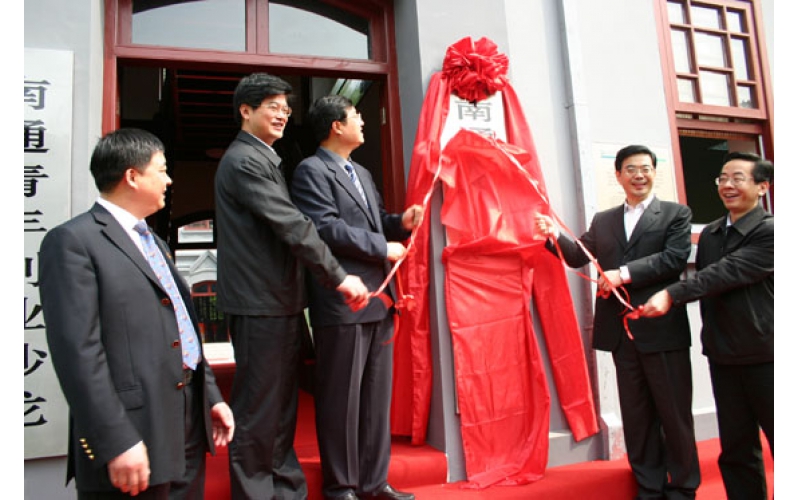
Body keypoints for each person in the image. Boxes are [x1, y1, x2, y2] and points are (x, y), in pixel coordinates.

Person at [38, 128, 235, 499]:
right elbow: (77, 352)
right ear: (132, 175)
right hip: (133, 428)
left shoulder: (153, 242)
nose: (169, 180)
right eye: (161, 170)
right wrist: (115, 439)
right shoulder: (74, 242)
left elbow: (180, 326)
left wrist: (210, 396)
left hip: (185, 419)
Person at [215, 73, 370, 500]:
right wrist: (338, 276)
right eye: (272, 106)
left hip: (278, 300)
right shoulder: (245, 161)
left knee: (282, 406)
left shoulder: (267, 157)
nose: (282, 113)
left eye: (285, 107)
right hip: (258, 301)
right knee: (259, 408)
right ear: (246, 111)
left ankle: (283, 487)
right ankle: (257, 492)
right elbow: (292, 224)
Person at [534, 144, 700, 499]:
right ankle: (649, 488)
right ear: (619, 175)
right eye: (631, 169)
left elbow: (673, 259)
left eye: (646, 168)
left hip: (662, 330)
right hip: (622, 337)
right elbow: (578, 255)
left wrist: (621, 274)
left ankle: (683, 490)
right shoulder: (604, 220)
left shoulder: (676, 214)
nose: (639, 175)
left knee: (674, 416)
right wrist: (553, 233)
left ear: (654, 172)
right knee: (636, 418)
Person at [290, 95, 421, 500]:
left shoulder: (361, 172)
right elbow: (325, 228)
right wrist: (383, 247)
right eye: (356, 116)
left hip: (379, 299)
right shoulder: (311, 171)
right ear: (336, 126)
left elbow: (376, 222)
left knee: (375, 399)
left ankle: (373, 482)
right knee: (341, 399)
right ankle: (341, 486)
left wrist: (400, 223)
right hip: (342, 300)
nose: (363, 122)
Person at [642, 152, 774, 500]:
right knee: (736, 449)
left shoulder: (772, 232)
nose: (727, 185)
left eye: (738, 178)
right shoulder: (713, 233)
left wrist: (671, 295)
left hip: (768, 355)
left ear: (762, 187)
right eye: (722, 178)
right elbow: (706, 283)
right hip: (724, 354)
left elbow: (724, 274)